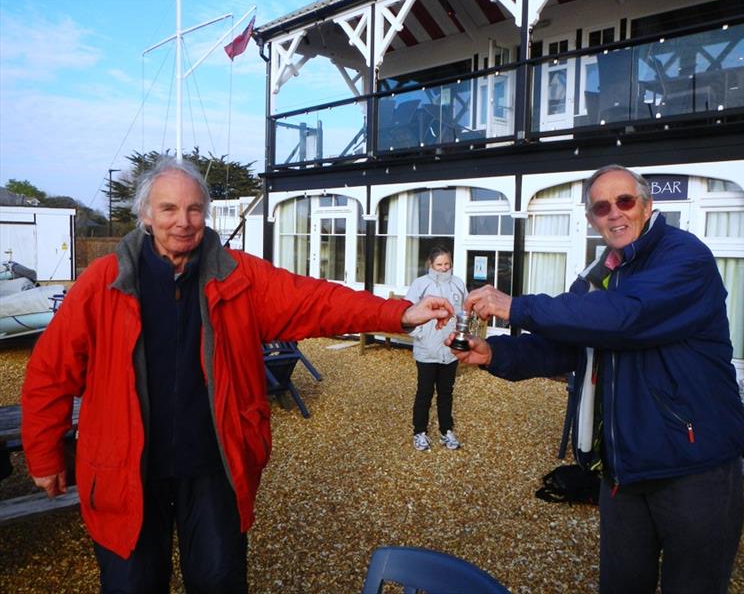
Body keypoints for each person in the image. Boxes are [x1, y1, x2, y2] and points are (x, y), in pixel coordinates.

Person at [21, 156, 454, 593]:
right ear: (146, 215)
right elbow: (51, 370)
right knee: (131, 584)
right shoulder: (105, 281)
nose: (184, 221)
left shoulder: (239, 275)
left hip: (215, 463)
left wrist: (398, 313)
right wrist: (44, 453)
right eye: (169, 209)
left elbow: (315, 301)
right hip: (124, 467)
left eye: (194, 209)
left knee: (218, 581)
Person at [448, 165, 744, 594]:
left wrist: (515, 306)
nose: (614, 213)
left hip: (693, 466)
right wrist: (496, 352)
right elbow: (566, 344)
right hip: (622, 470)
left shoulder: (686, 258)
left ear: (647, 206)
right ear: (591, 219)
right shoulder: (599, 275)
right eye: (601, 207)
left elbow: (627, 317)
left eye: (624, 201)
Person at [404, 246, 467, 451]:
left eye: (447, 264)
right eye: (439, 264)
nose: (443, 268)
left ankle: (446, 431)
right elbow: (406, 315)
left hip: (449, 351)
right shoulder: (420, 285)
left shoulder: (458, 284)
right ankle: (419, 432)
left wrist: (460, 337)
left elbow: (465, 312)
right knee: (424, 392)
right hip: (427, 351)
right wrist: (420, 335)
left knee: (446, 392)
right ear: (431, 264)